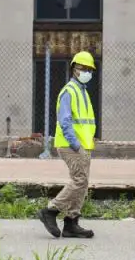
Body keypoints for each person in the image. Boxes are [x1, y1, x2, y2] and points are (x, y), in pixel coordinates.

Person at [38, 51, 98, 239]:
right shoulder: (69, 91)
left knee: (82, 183)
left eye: (89, 69)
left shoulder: (82, 92)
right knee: (79, 180)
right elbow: (65, 121)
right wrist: (75, 144)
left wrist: (86, 142)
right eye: (82, 68)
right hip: (71, 145)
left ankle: (72, 223)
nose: (86, 71)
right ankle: (50, 211)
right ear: (73, 69)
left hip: (83, 145)